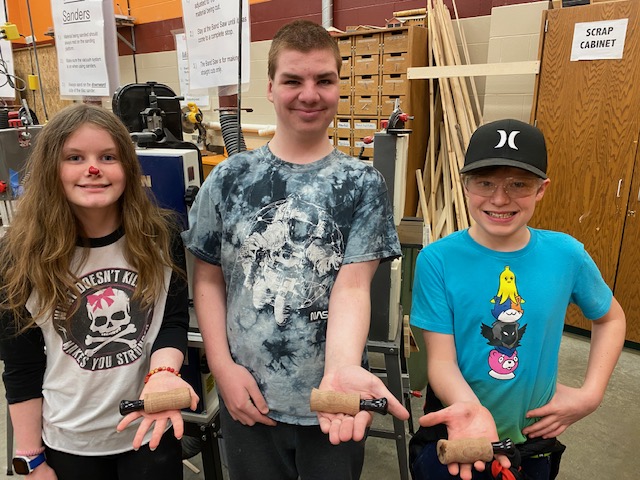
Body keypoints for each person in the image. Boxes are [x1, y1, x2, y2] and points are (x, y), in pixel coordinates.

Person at [182, 19, 410, 480]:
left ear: (338, 86)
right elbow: (207, 279)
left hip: (334, 402)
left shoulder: (361, 183)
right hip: (249, 397)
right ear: (270, 87)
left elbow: (352, 288)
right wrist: (222, 369)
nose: (309, 94)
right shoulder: (229, 179)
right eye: (292, 80)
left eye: (324, 80)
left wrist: (340, 373)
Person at [409, 119, 626, 480]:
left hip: (532, 445)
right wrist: (472, 413)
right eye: (485, 182)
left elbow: (610, 318)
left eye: (518, 184)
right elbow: (441, 361)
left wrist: (591, 394)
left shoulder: (566, 255)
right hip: (458, 440)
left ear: (541, 189)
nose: (499, 199)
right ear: (465, 184)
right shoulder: (437, 260)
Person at [0, 103, 199, 480]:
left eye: (108, 156)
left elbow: (170, 321)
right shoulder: (18, 257)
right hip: (71, 441)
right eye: (75, 157)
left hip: (148, 430)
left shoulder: (159, 236)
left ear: (127, 167)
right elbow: (21, 366)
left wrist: (163, 372)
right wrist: (31, 459)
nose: (93, 169)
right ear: (51, 169)